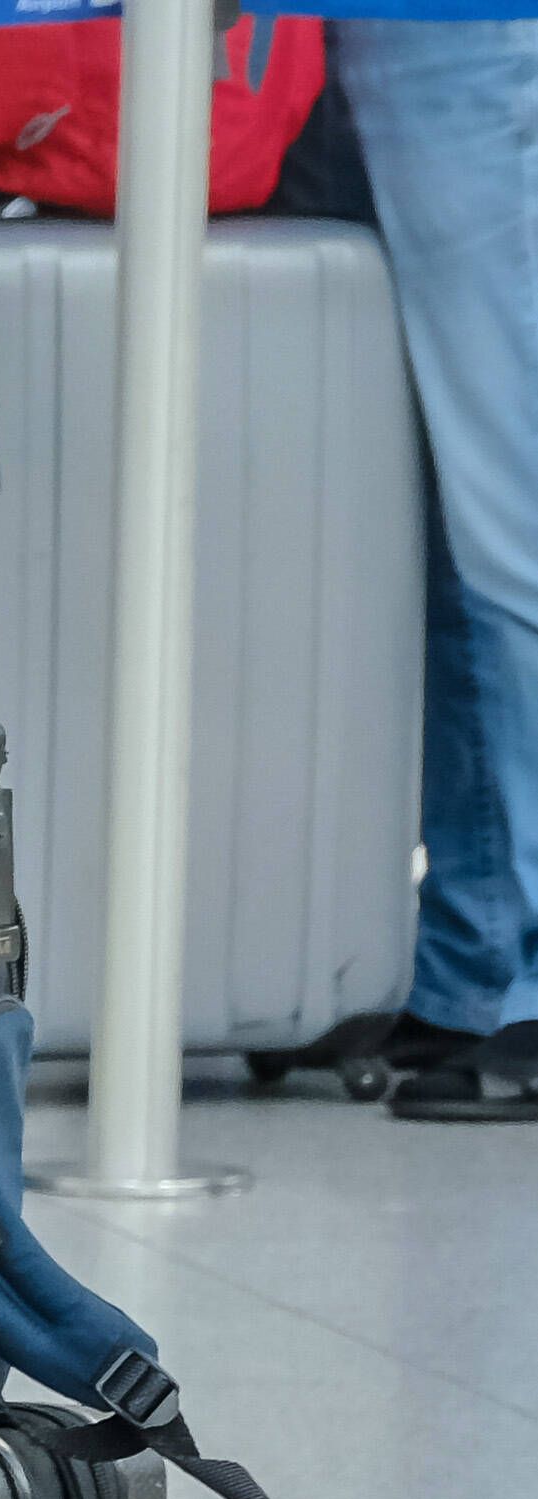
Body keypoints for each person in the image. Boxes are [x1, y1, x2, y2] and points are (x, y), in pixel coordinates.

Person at [334, 18, 538, 1125]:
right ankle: (474, 963)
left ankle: (523, 977)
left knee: (510, 505)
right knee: (461, 521)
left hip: (463, 35)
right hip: (398, 35)